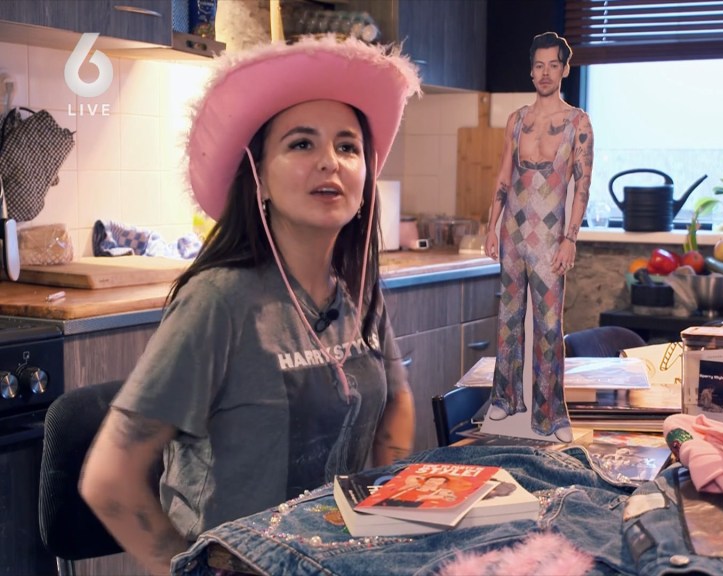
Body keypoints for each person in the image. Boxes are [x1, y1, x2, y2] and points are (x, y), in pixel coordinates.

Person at [79, 37, 421, 575]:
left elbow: (396, 403)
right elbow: (109, 479)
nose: (329, 162)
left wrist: (386, 523)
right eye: (302, 144)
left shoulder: (357, 290)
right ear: (259, 178)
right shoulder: (218, 302)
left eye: (348, 146)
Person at [483, 32, 594, 442]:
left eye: (553, 65)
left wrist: (570, 238)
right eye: (539, 65)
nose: (545, 73)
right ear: (531, 71)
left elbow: (582, 186)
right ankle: (506, 397)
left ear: (565, 70)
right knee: (508, 317)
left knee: (549, 325)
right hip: (512, 231)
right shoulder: (517, 120)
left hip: (549, 236)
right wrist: (491, 226)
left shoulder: (578, 122)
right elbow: (503, 175)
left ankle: (551, 415)